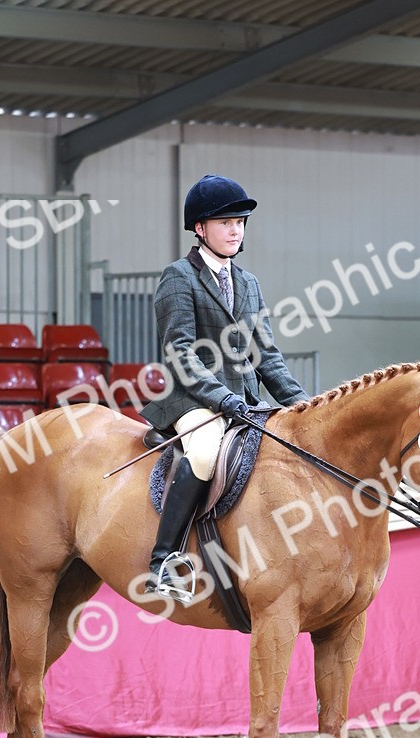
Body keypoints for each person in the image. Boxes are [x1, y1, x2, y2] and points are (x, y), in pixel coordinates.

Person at [141, 174, 309, 601]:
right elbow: (180, 351)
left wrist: (304, 405)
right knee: (203, 448)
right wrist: (221, 398)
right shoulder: (178, 277)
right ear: (200, 228)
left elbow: (266, 355)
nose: (235, 229)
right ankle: (163, 560)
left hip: (243, 400)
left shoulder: (249, 283)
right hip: (194, 400)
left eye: (240, 221)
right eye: (225, 222)